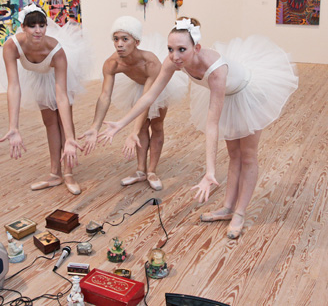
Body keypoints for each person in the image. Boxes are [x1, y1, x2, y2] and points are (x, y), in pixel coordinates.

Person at [99, 17, 298, 238]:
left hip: (250, 93)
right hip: (229, 96)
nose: (175, 56)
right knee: (234, 155)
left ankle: (240, 213)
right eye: (171, 49)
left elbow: (212, 124)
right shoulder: (172, 62)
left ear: (197, 48)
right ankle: (227, 208)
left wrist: (210, 171)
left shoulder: (216, 71)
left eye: (182, 49)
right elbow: (150, 96)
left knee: (248, 155)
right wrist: (121, 123)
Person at [79, 16, 187, 190]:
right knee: (143, 127)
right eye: (116, 39)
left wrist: (132, 131)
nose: (119, 44)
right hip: (138, 87)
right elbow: (105, 96)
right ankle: (140, 170)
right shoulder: (111, 64)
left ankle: (151, 171)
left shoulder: (150, 62)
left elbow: (148, 97)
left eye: (125, 39)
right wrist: (95, 126)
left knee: (156, 126)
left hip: (156, 89)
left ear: (136, 41)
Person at [0, 4, 91, 195]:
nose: (38, 30)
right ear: (23, 27)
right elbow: (14, 86)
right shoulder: (11, 45)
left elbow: (62, 96)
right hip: (38, 75)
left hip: (59, 72)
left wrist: (71, 138)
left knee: (63, 120)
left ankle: (68, 172)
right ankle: (55, 173)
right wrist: (13, 127)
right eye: (32, 26)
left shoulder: (57, 50)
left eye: (42, 25)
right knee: (49, 122)